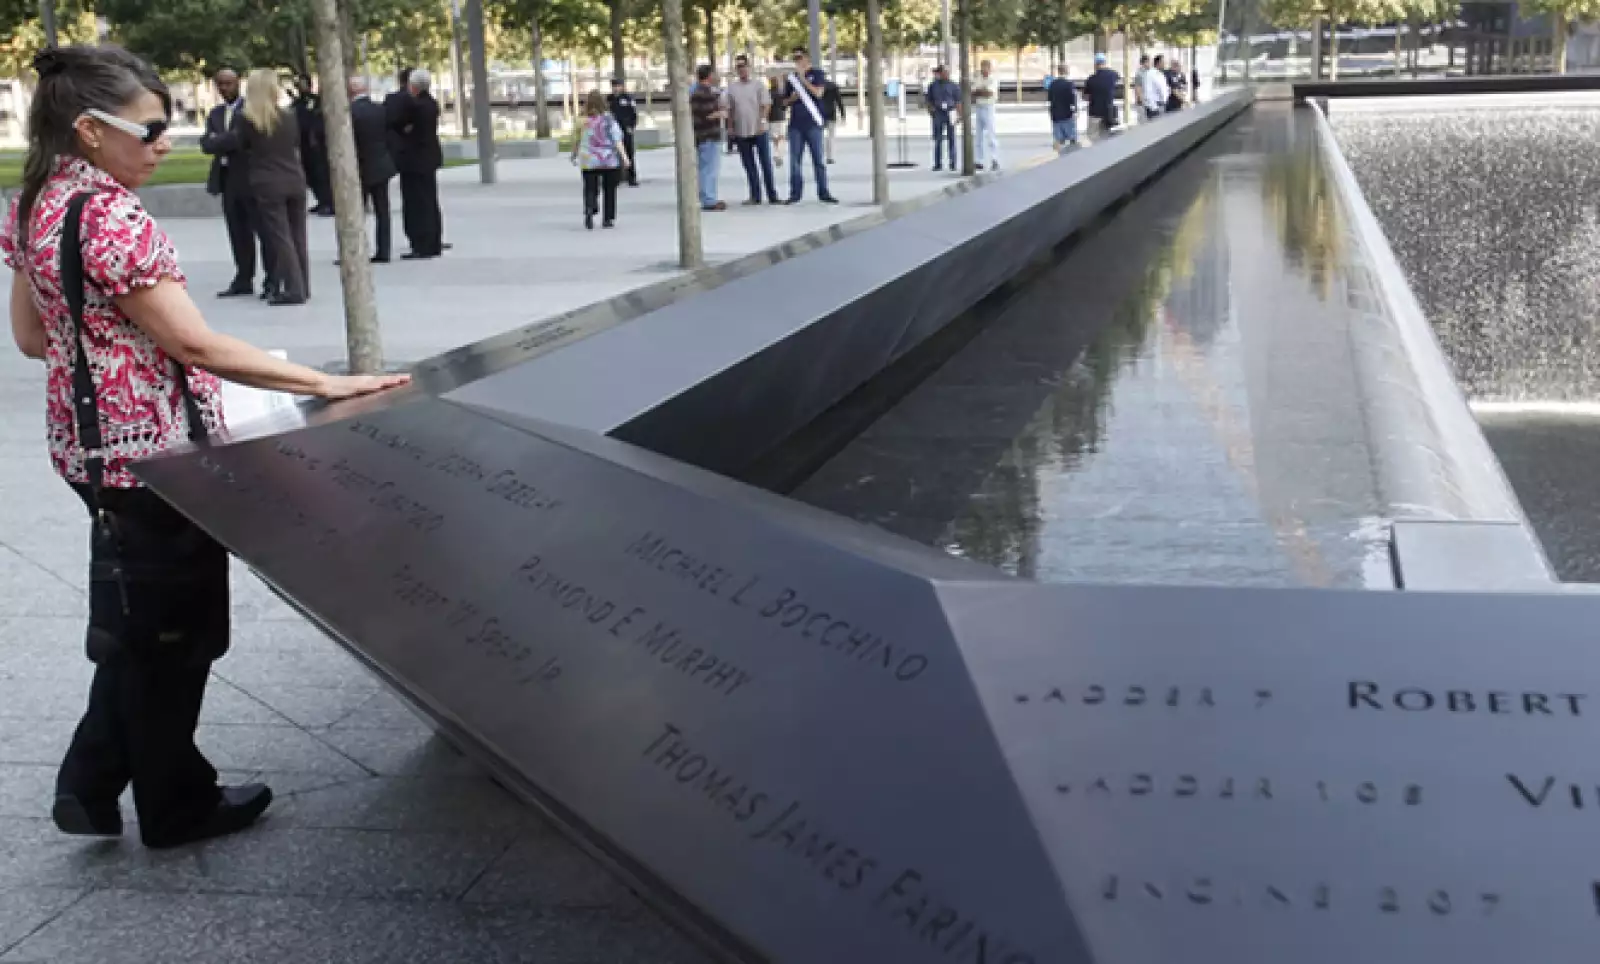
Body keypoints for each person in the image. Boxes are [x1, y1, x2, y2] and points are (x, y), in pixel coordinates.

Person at [3, 44, 407, 851]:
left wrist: (103, 349)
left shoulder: (35, 202)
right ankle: (173, 805)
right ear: (90, 130)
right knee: (175, 636)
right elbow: (193, 344)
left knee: (140, 616)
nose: (166, 144)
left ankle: (93, 779)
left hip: (86, 446)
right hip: (158, 456)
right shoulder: (112, 217)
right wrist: (326, 383)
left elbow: (33, 338)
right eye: (150, 130)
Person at [239, 69, 309, 306]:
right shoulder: (289, 116)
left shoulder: (248, 119)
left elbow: (242, 146)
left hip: (267, 181)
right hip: (294, 177)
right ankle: (303, 284)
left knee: (280, 237)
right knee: (298, 235)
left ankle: (293, 289)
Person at [198, 67, 261, 299]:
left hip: (250, 179)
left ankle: (273, 279)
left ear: (238, 83)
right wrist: (223, 140)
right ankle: (243, 278)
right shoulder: (215, 114)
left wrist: (220, 140)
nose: (224, 88)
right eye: (220, 84)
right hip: (227, 179)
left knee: (261, 231)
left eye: (229, 83)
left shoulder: (250, 111)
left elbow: (240, 140)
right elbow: (206, 144)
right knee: (237, 232)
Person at [393, 67, 444, 259]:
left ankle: (422, 243)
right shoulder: (431, 103)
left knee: (416, 203)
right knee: (429, 200)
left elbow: (399, 125)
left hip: (415, 160)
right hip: (428, 158)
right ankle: (433, 241)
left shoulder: (415, 107)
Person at [348, 77, 396, 263]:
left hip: (359, 166)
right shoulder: (380, 110)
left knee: (355, 212)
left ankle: (355, 250)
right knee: (382, 210)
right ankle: (384, 250)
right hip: (380, 164)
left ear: (351, 90)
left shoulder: (350, 113)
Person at [570, 89, 630, 229]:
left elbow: (576, 140)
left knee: (590, 187)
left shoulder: (581, 120)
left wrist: (574, 154)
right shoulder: (609, 120)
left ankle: (590, 207)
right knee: (609, 189)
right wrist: (625, 157)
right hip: (608, 159)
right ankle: (608, 218)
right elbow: (617, 140)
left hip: (589, 159)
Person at [783, 49, 836, 204]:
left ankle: (823, 192)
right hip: (796, 125)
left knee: (818, 160)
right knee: (795, 161)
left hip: (813, 123)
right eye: (795, 58)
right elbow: (784, 102)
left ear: (806, 58)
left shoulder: (817, 74)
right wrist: (792, 99)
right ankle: (795, 193)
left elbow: (819, 93)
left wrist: (803, 80)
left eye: (800, 57)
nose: (798, 61)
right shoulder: (791, 79)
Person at [726, 55, 778, 205]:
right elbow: (730, 109)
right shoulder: (732, 88)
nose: (742, 69)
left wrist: (763, 121)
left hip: (759, 129)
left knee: (765, 163)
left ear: (749, 67)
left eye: (744, 66)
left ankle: (772, 195)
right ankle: (755, 195)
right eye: (739, 67)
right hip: (741, 130)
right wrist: (730, 127)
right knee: (749, 165)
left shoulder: (758, 85)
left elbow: (766, 105)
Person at [690, 65, 728, 212]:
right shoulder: (703, 93)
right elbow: (705, 114)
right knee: (709, 169)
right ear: (709, 75)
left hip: (704, 135)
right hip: (708, 135)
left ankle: (708, 196)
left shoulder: (698, 91)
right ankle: (709, 199)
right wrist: (720, 113)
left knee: (707, 168)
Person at [293, 76, 332, 216]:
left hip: (316, 143)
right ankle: (321, 200)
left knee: (321, 174)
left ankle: (328, 202)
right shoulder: (297, 103)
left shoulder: (316, 101)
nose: (301, 87)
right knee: (310, 174)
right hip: (303, 143)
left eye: (303, 84)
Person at [924, 64, 959, 171]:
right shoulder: (933, 86)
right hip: (938, 112)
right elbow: (928, 100)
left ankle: (953, 162)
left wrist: (959, 115)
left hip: (950, 111)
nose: (945, 74)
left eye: (946, 72)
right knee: (938, 139)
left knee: (951, 138)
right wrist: (931, 110)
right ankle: (938, 163)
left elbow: (958, 100)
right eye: (943, 72)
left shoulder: (954, 85)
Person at [607, 76, 639, 187]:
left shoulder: (628, 98)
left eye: (618, 86)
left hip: (625, 128)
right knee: (613, 154)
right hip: (613, 129)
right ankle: (616, 177)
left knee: (629, 153)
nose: (616, 88)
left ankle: (631, 177)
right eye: (614, 86)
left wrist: (631, 126)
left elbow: (633, 114)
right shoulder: (609, 99)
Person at [1084, 54, 1120, 137]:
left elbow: (1085, 97)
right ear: (1105, 62)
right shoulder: (1113, 74)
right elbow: (1117, 82)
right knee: (1109, 138)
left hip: (1095, 113)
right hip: (1109, 112)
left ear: (1095, 64)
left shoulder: (1090, 79)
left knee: (1093, 136)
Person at [972, 59, 999, 171]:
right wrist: (981, 91)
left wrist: (980, 91)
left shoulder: (993, 79)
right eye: (982, 67)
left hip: (988, 107)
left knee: (991, 135)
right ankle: (979, 160)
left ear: (990, 68)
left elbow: (989, 93)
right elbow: (973, 92)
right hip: (979, 107)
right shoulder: (977, 78)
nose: (984, 69)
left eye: (986, 67)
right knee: (978, 136)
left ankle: (994, 159)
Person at [1047, 64, 1078, 152]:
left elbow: (1050, 99)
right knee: (1072, 137)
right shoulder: (1069, 84)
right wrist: (1075, 111)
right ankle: (1073, 154)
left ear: (1058, 71)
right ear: (1067, 71)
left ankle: (1057, 155)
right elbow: (1073, 99)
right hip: (1067, 114)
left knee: (1058, 139)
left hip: (1055, 115)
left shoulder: (1052, 84)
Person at [822, 76, 845, 164]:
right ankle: (830, 157)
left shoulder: (817, 85)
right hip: (831, 113)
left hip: (819, 113)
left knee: (819, 136)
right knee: (831, 136)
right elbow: (839, 101)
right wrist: (843, 114)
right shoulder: (833, 86)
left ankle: (819, 155)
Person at [766, 74, 787, 167]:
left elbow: (767, 106)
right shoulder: (781, 93)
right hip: (781, 116)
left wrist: (766, 117)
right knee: (781, 136)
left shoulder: (768, 93)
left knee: (775, 137)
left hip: (772, 118)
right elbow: (785, 104)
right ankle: (780, 155)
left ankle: (776, 153)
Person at [1141, 55, 1169, 120]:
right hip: (1154, 107)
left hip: (1162, 105)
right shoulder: (1150, 74)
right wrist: (1153, 107)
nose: (1165, 64)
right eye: (1163, 62)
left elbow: (1163, 88)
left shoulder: (1161, 74)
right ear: (1158, 63)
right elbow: (1148, 91)